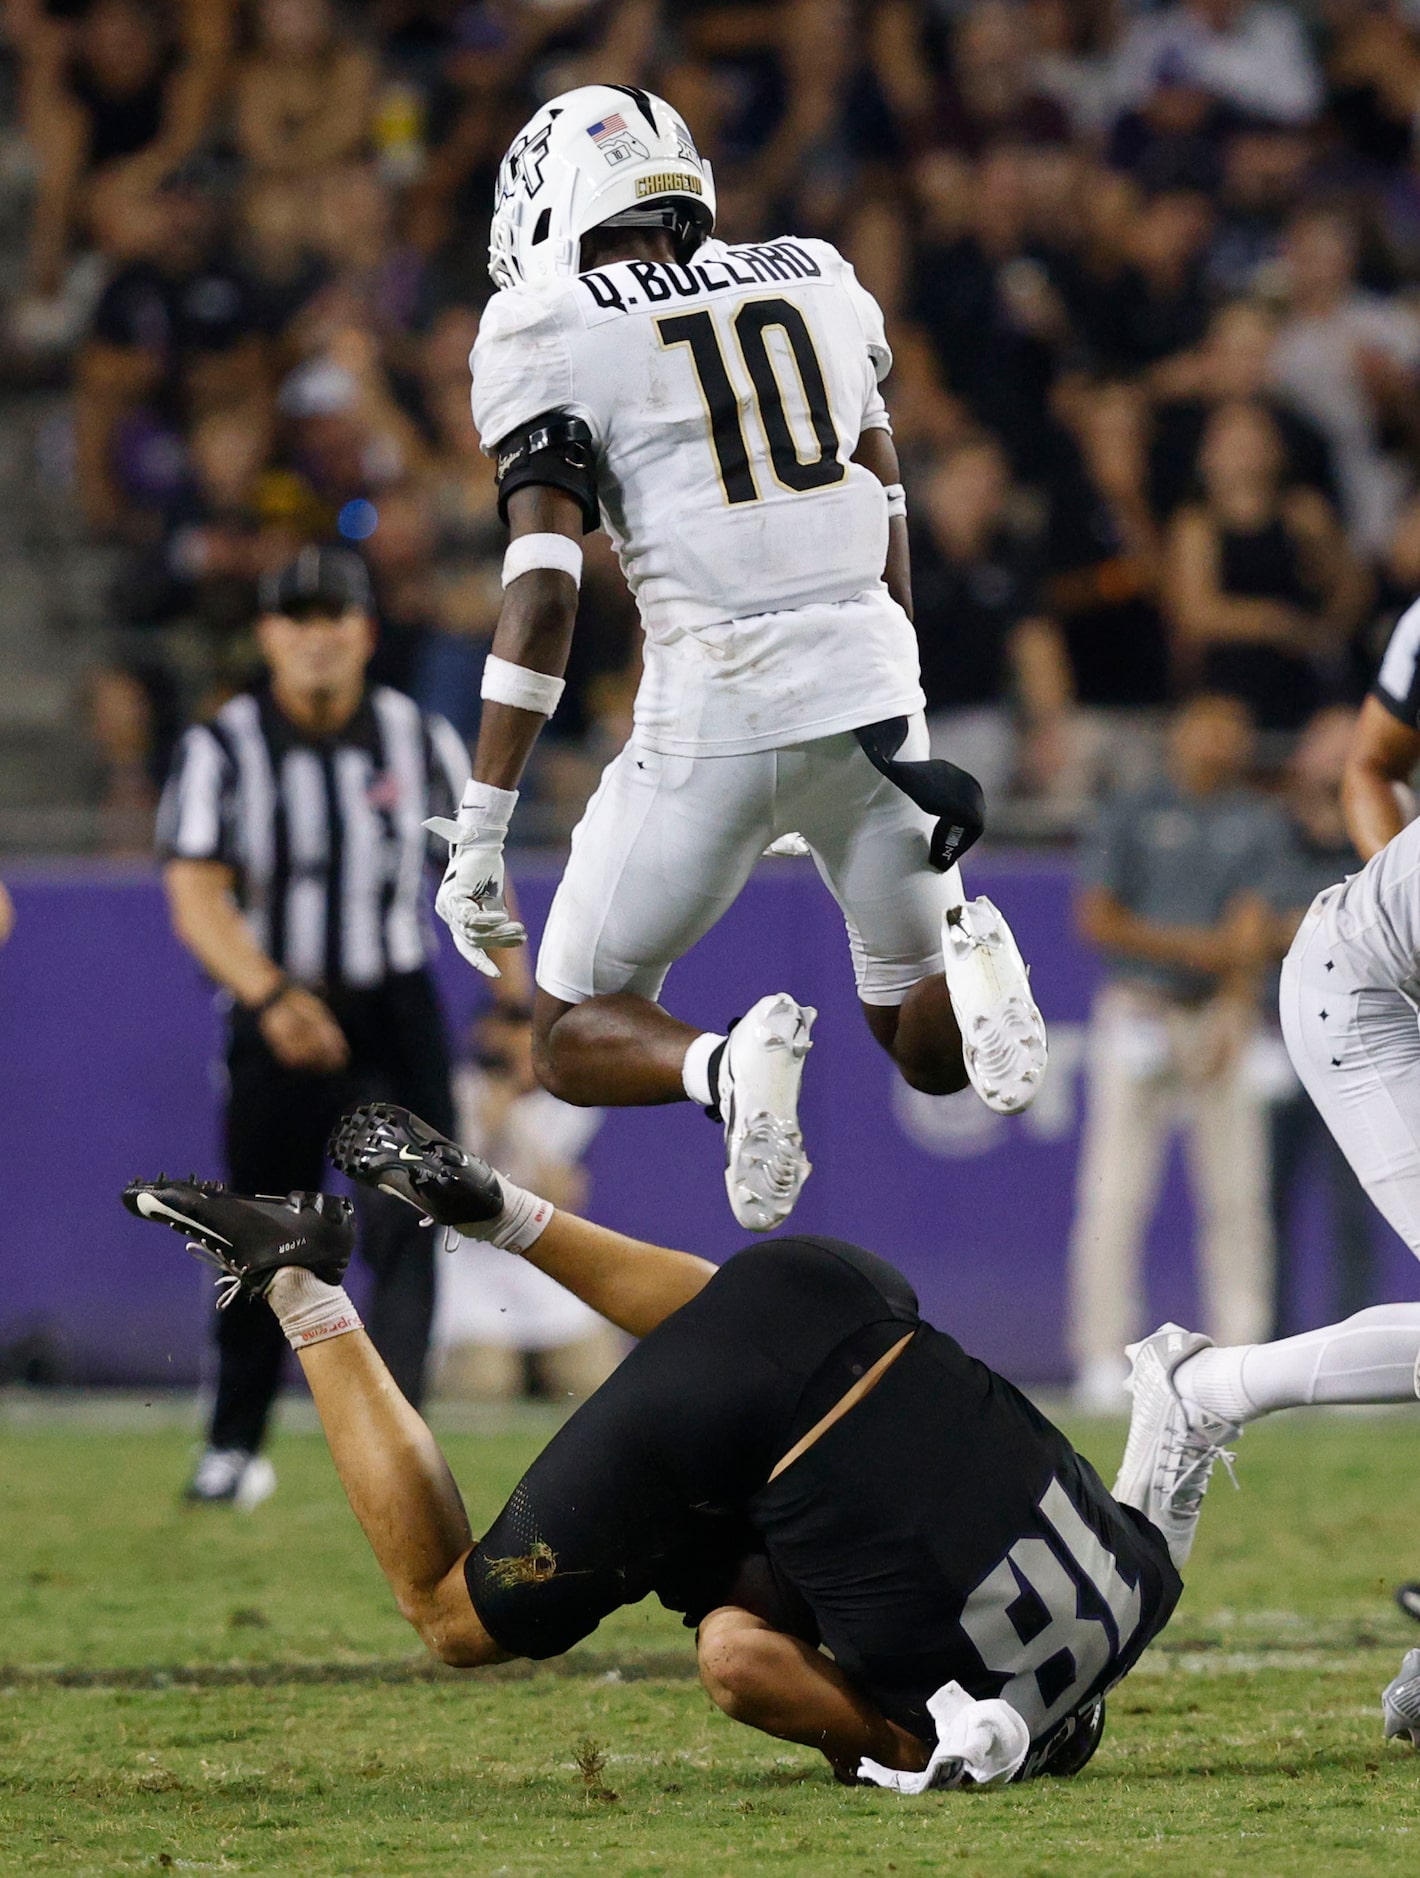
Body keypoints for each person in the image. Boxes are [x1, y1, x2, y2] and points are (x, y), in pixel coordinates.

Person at [123, 1099, 1184, 1789]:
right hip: (732, 1411)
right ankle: (303, 1283)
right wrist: (900, 1755)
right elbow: (736, 1662)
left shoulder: (1140, 1589)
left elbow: (1148, 1473)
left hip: (837, 1290)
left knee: (745, 1347)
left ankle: (501, 1211)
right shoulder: (937, 1714)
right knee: (452, 1616)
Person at [427, 83, 1049, 1238]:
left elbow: (546, 588)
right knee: (925, 1045)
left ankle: (722, 1067)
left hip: (713, 706)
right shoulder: (820, 276)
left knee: (564, 1031)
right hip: (871, 686)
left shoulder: (545, 329)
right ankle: (976, 964)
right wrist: (894, 697)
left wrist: (480, 822)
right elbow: (886, 504)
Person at [154, 544, 468, 1504]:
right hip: (277, 1006)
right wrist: (270, 994)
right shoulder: (224, 745)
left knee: (414, 1222)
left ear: (366, 632)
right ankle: (234, 1445)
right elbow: (195, 890)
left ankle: (401, 1451)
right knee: (263, 1233)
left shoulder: (421, 740)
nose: (317, 636)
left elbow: (472, 883)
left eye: (335, 616)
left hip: (393, 1008)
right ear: (267, 636)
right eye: (296, 617)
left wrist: (511, 999)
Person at [1068, 693, 1283, 1409]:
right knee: (1116, 1194)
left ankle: (1243, 1352)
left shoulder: (1254, 818)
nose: (1221, 742)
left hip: (1218, 1011)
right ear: (1179, 733)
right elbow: (1097, 917)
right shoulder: (1132, 809)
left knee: (1238, 1195)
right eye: (1209, 727)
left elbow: (1251, 928)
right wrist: (1196, 946)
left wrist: (1233, 1005)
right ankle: (1103, 1355)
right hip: (1139, 1008)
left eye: (1234, 729)